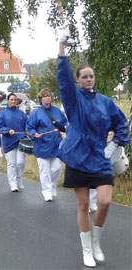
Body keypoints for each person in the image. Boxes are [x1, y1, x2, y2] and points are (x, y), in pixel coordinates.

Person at [57, 42, 130, 267]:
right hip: (78, 156)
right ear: (78, 80)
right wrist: (61, 49)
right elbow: (64, 80)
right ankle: (86, 249)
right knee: (83, 206)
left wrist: (115, 144)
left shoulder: (105, 102)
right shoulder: (73, 99)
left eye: (91, 76)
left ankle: (96, 242)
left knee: (106, 202)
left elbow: (122, 124)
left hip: (100, 157)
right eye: (85, 77)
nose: (89, 79)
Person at [27, 88, 67, 202]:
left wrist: (66, 129)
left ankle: (52, 184)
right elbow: (30, 128)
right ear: (41, 99)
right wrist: (35, 134)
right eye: (44, 96)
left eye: (49, 95)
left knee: (57, 168)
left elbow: (65, 125)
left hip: (56, 145)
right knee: (45, 171)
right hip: (42, 146)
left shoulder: (57, 111)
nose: (47, 98)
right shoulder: (36, 113)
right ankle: (47, 191)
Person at [0, 92, 28, 192]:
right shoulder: (2, 113)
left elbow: (27, 126)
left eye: (15, 100)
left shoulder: (21, 114)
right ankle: (13, 184)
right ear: (8, 101)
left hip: (20, 141)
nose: (13, 101)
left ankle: (19, 179)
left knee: (20, 162)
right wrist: (7, 130)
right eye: (11, 99)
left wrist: (28, 131)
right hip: (9, 142)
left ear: (17, 101)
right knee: (11, 164)